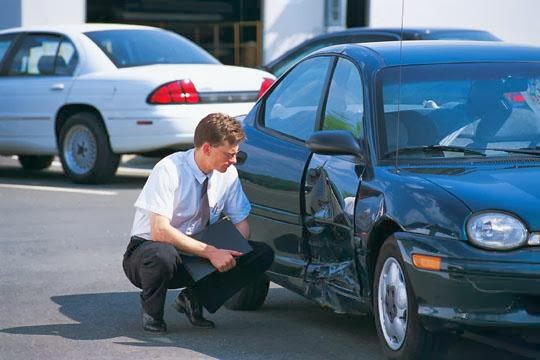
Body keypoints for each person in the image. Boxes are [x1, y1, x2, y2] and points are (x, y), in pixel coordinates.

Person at [122, 113, 274, 333]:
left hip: (198, 247)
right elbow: (160, 231)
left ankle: (193, 298)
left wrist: (230, 253)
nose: (233, 161)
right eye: (228, 155)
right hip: (150, 253)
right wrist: (211, 252)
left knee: (261, 253)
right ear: (206, 149)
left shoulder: (227, 173)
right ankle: (152, 313)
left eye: (236, 155)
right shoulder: (169, 169)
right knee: (162, 254)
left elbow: (242, 226)